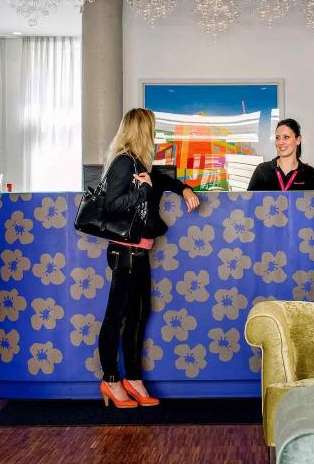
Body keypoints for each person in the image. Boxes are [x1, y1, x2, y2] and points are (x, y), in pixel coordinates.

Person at [98, 108, 200, 408]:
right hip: (124, 252)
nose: (155, 135)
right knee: (116, 317)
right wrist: (143, 191)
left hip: (138, 252)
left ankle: (133, 378)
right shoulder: (123, 162)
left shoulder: (139, 164)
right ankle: (111, 380)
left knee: (138, 316)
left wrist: (184, 189)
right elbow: (111, 205)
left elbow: (162, 180)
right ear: (143, 131)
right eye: (152, 130)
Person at [247, 118, 314, 191]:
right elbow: (249, 198)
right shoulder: (262, 170)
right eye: (277, 138)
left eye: (286, 137)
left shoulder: (310, 173)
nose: (280, 142)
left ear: (298, 140)